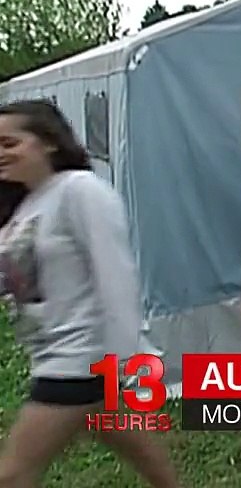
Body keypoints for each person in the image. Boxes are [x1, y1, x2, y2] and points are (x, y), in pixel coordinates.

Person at [0, 100, 180, 487]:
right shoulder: (24, 206)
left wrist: (127, 358)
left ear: (48, 142)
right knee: (151, 462)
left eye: (10, 143)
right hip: (52, 356)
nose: (1, 153)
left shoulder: (79, 191)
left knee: (11, 476)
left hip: (77, 361)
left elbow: (115, 273)